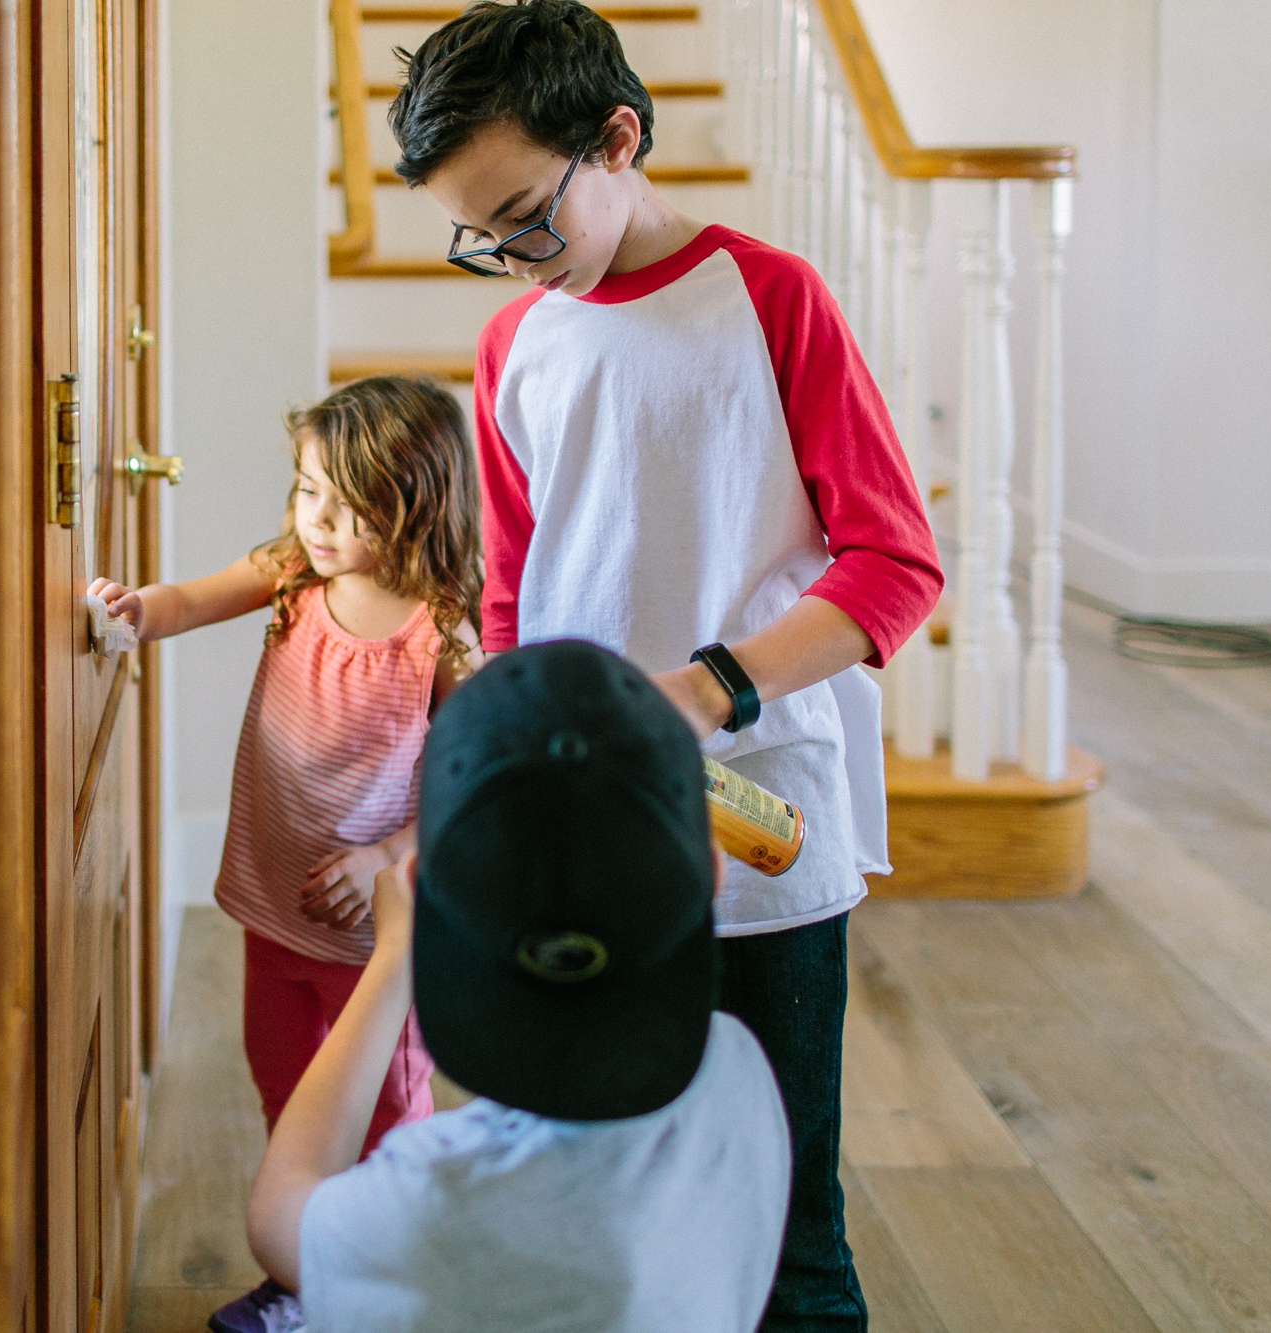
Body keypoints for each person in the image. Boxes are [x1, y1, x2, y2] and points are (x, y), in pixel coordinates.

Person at [385, 4, 945, 1328]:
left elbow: (894, 566)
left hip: (754, 810)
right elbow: (518, 584)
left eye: (526, 217)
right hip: (581, 815)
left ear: (618, 138)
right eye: (479, 237)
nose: (509, 260)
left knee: (788, 1218)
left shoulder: (767, 299)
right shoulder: (516, 339)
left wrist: (705, 687)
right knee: (595, 1179)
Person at [247, 639, 792, 1333]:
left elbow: (279, 1215)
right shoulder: (738, 1071)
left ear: (421, 888)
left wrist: (391, 962)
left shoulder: (424, 1201)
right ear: (710, 876)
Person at [89, 375, 483, 1333]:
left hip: (375, 943)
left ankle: (397, 1284)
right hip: (277, 904)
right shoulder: (293, 573)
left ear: (416, 508)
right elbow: (189, 600)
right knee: (289, 1090)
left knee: (387, 1115)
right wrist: (134, 608)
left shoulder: (442, 638)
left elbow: (470, 785)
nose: (319, 519)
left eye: (348, 506)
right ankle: (308, 1273)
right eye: (309, 490)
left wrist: (386, 850)